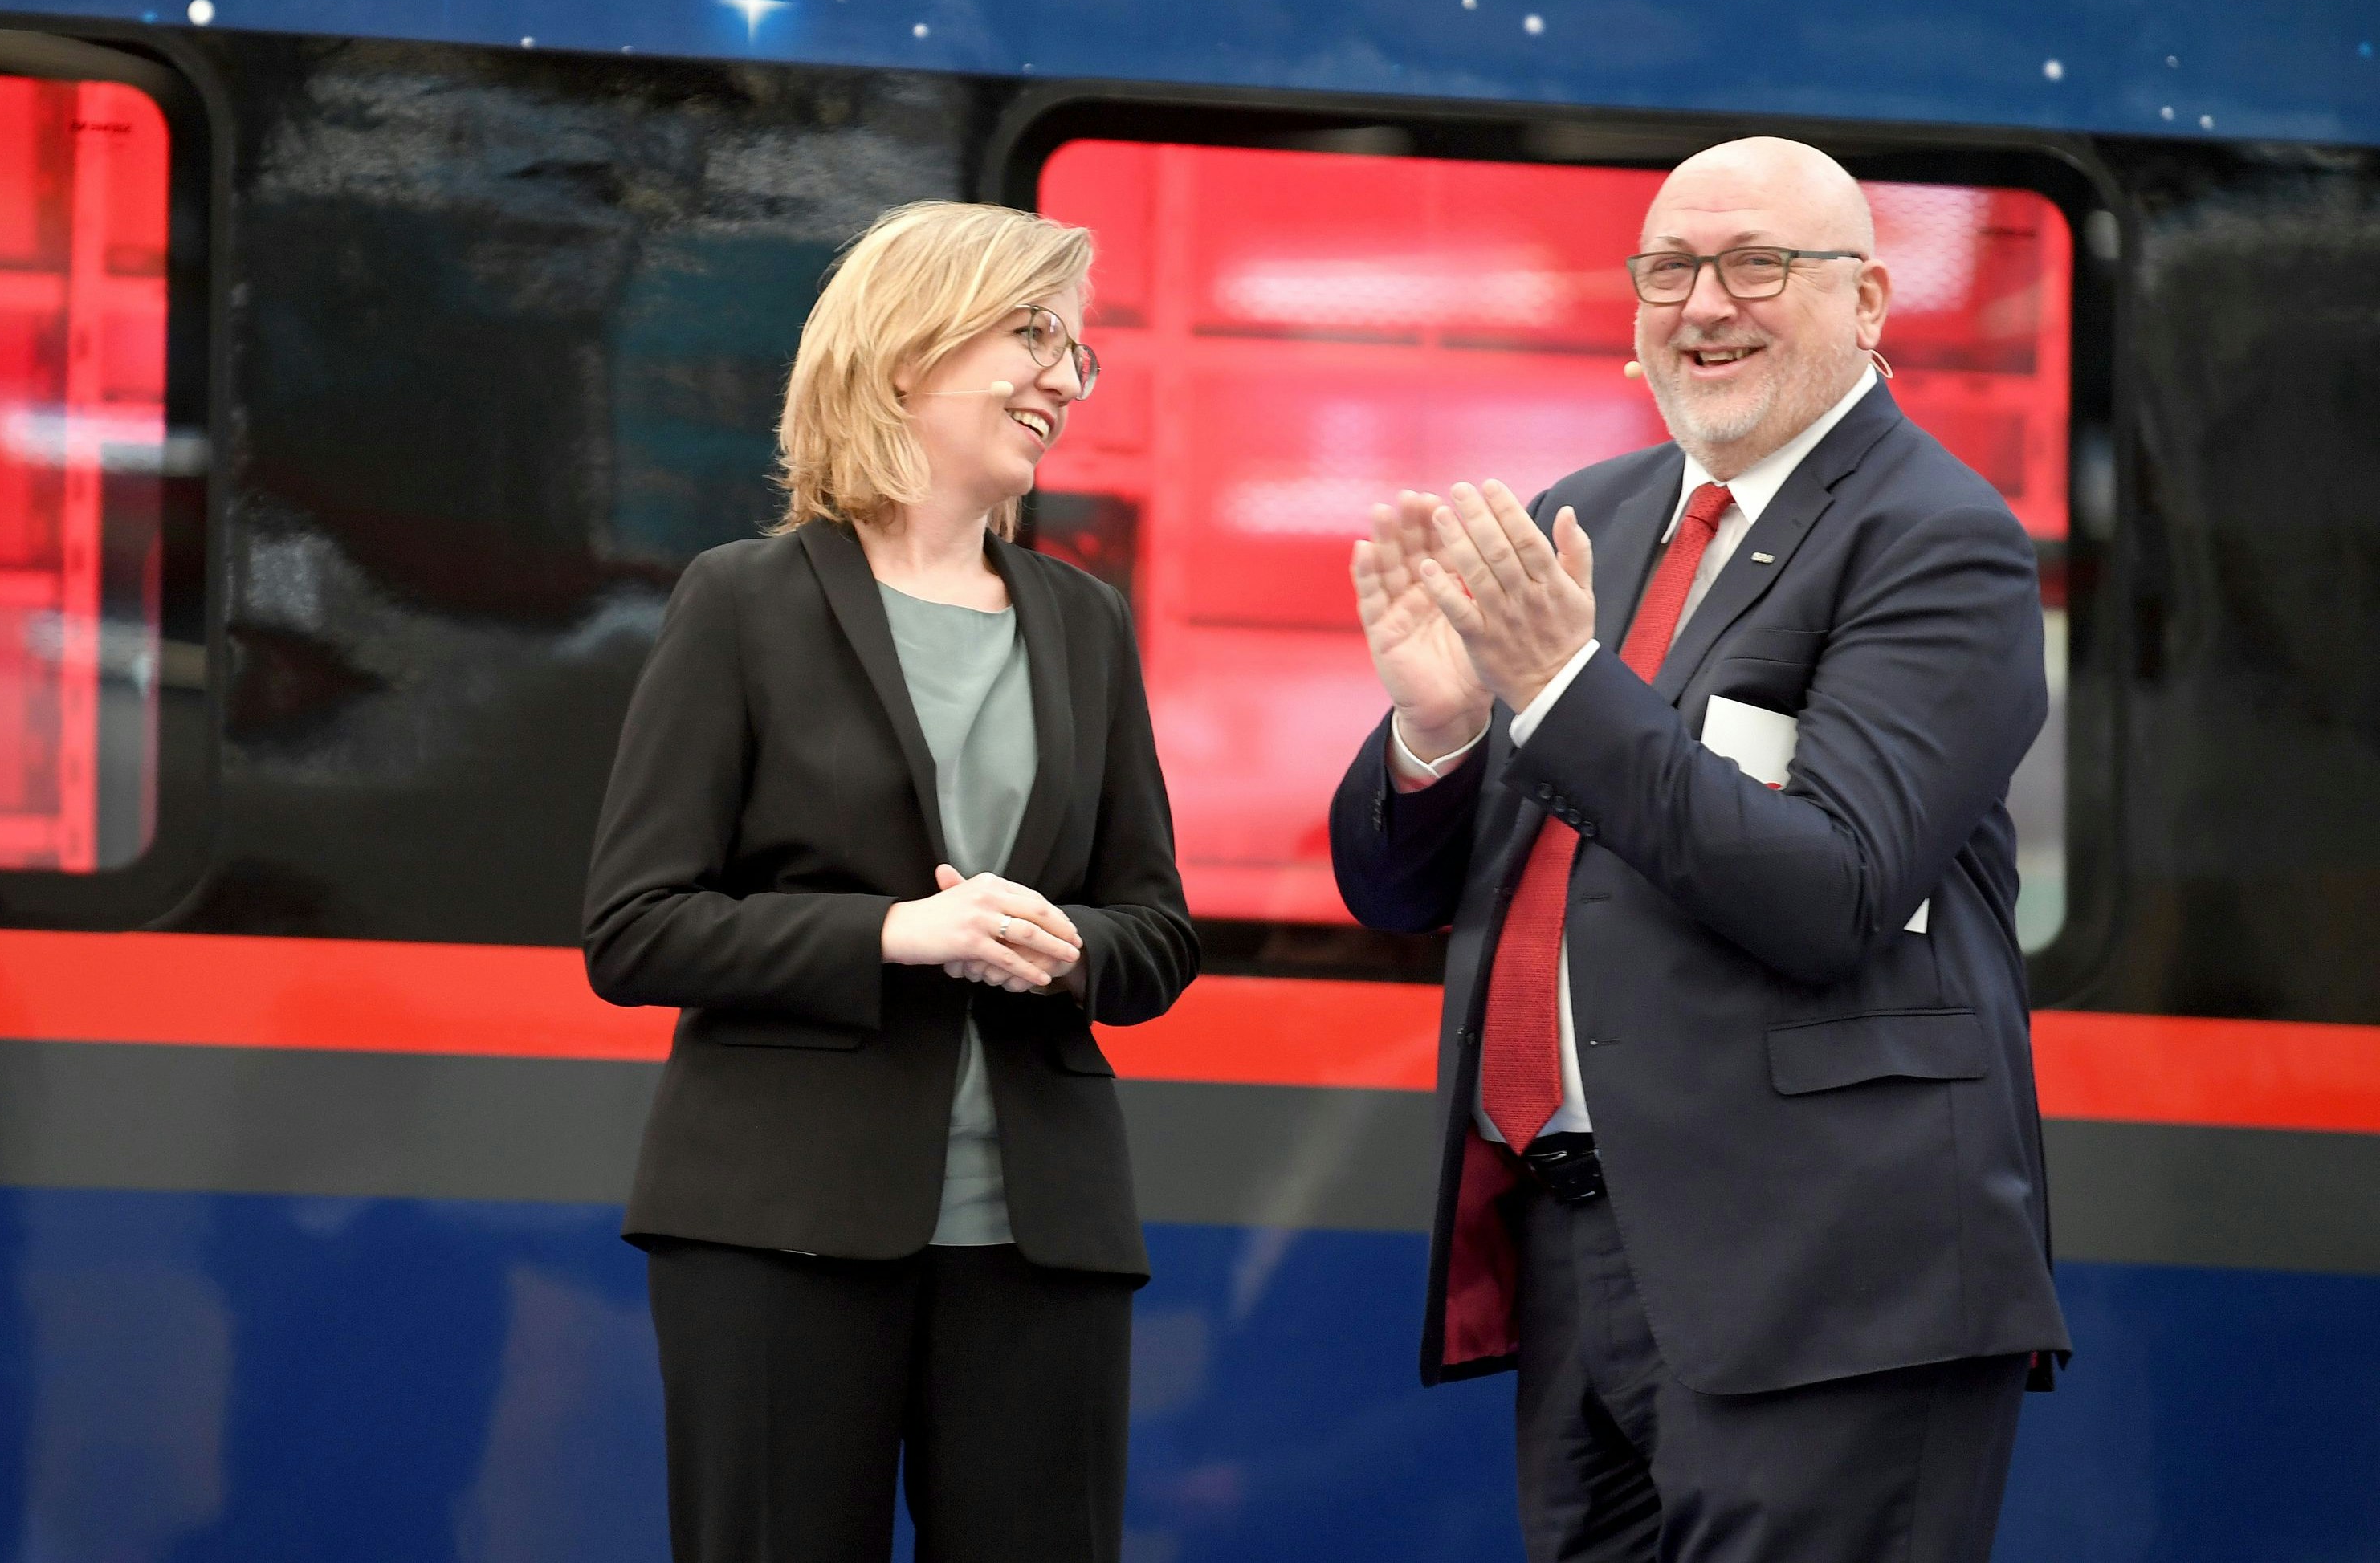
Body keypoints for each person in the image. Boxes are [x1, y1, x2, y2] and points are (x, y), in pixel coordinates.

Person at [1327, 136, 2072, 1562]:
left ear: (1866, 303)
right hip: (1579, 1244)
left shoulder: (1942, 541)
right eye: (1668, 268)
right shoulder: (1591, 516)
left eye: (1756, 266)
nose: (1704, 303)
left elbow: (1831, 891)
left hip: (1827, 1281)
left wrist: (1556, 691)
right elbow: (1402, 891)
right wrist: (1439, 731)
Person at [583, 200, 1196, 1563]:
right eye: (1032, 334)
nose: (1064, 377)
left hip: (1041, 1242)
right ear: (907, 351)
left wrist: (1073, 950)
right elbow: (635, 928)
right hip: (775, 1229)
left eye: (1077, 352)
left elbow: (1155, 931)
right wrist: (896, 932)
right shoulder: (741, 601)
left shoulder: (1083, 621)